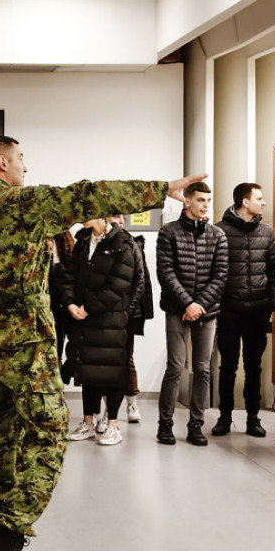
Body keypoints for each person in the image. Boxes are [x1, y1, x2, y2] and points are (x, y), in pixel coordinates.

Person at [0, 132, 201, 551]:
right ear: (2, 162)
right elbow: (87, 195)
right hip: (27, 345)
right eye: (20, 159)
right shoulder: (20, 205)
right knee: (49, 432)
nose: (25, 166)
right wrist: (161, 188)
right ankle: (8, 544)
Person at [60, 216, 145, 446]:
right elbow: (68, 276)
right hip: (83, 317)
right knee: (88, 371)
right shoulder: (82, 242)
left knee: (112, 371)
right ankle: (88, 422)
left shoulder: (122, 243)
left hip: (111, 318)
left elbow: (120, 283)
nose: (80, 217)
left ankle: (113, 425)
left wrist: (89, 308)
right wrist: (70, 304)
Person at [155, 181, 228, 447]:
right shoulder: (168, 233)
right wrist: (187, 303)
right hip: (177, 310)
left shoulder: (218, 235)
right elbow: (166, 273)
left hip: (207, 312)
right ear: (187, 201)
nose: (205, 205)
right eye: (200, 200)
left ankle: (196, 425)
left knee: (202, 369)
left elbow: (221, 276)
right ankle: (165, 425)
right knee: (175, 367)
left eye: (208, 200)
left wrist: (199, 305)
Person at [211, 183, 275, 438]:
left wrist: (273, 302)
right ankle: (224, 417)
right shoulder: (219, 231)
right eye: (259, 199)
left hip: (258, 311)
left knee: (254, 367)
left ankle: (253, 418)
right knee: (227, 366)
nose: (263, 203)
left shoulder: (266, 231)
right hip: (229, 310)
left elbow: (272, 269)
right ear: (244, 202)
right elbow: (213, 271)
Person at [113, 215, 151, 423]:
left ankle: (131, 404)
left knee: (127, 358)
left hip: (129, 313)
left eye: (122, 217)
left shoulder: (134, 244)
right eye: (115, 216)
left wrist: (128, 311)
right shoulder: (98, 245)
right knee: (105, 362)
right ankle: (108, 412)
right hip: (106, 312)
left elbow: (141, 281)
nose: (120, 220)